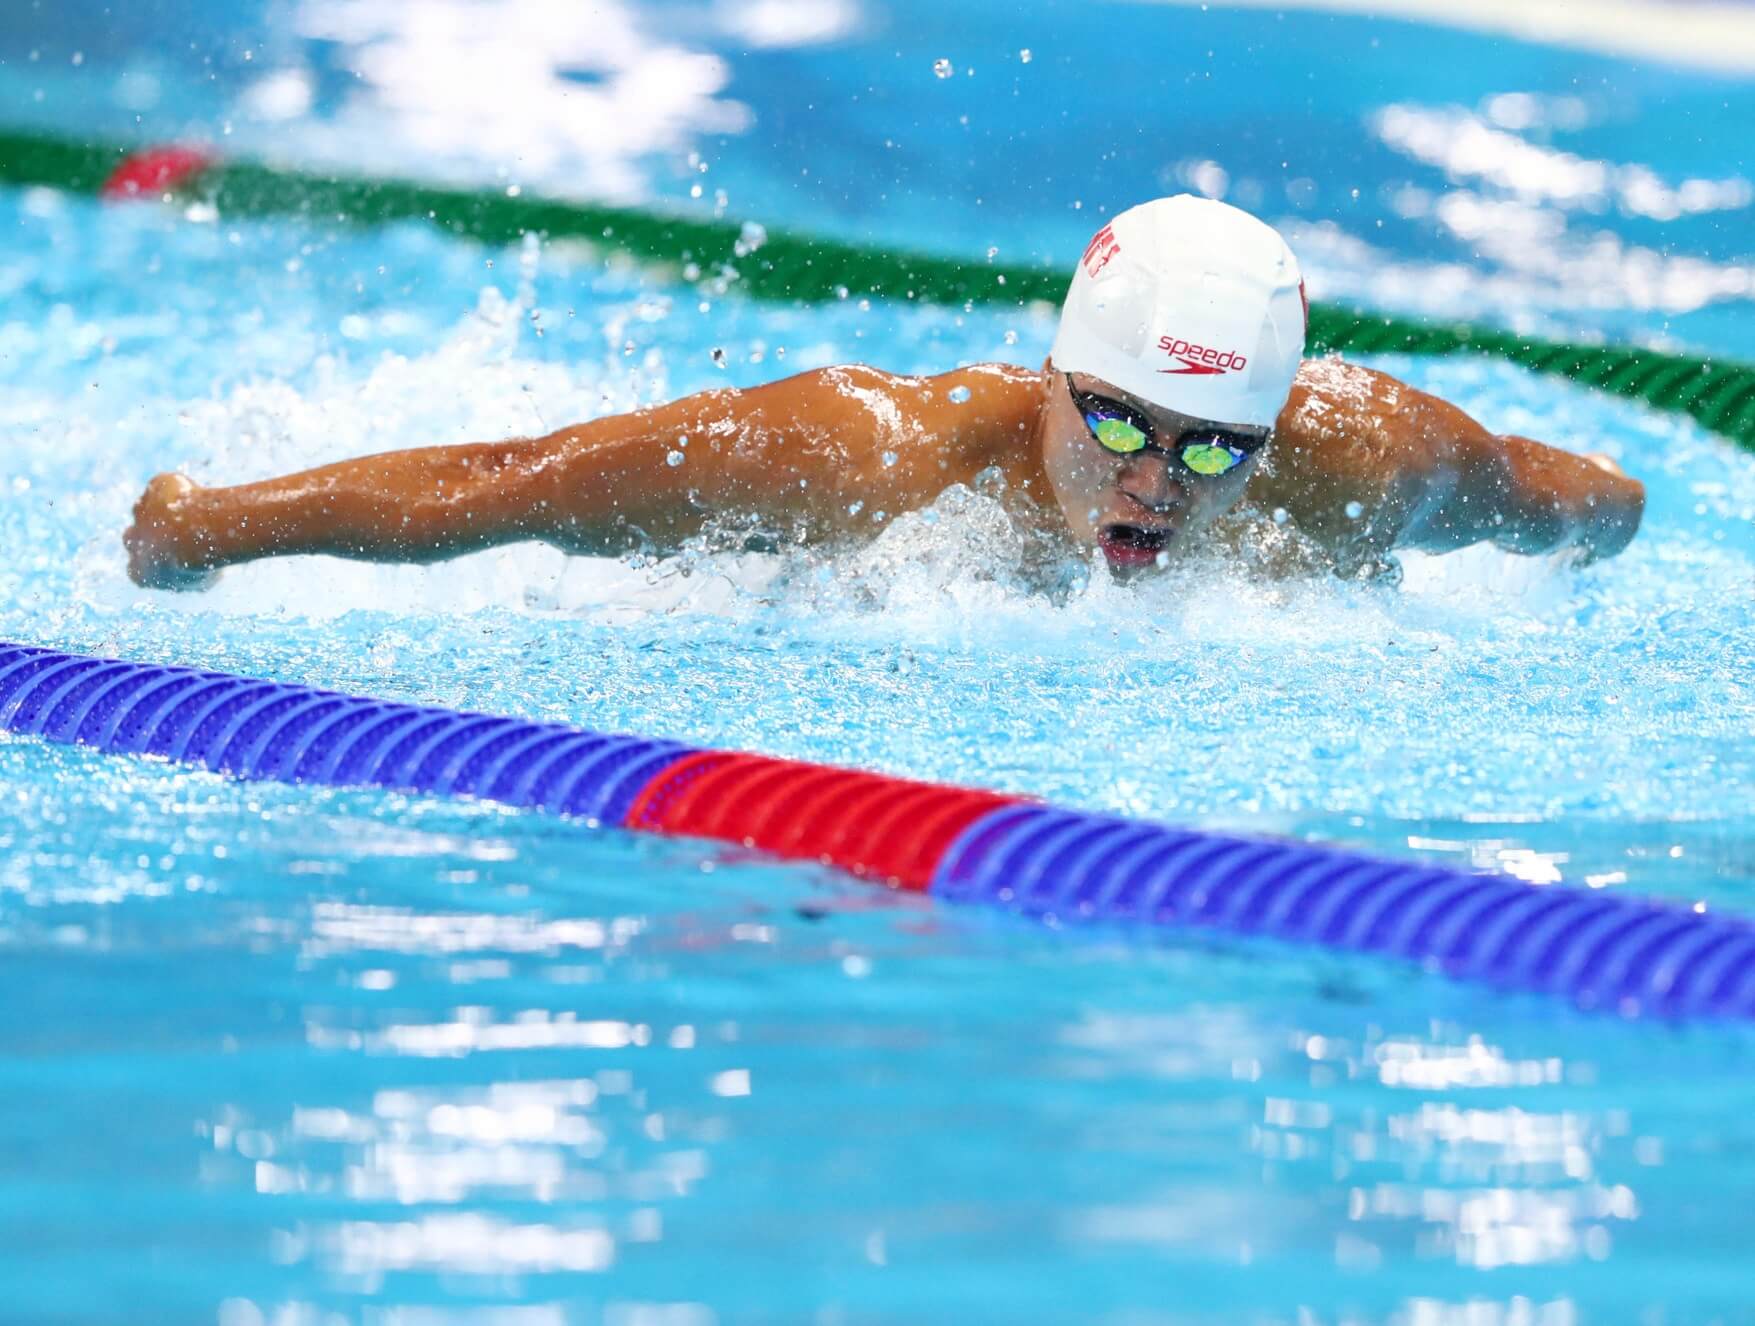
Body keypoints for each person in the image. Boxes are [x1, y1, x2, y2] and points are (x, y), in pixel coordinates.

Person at [124, 196, 1643, 592]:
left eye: (1213, 451)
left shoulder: (1365, 460)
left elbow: (1589, 501)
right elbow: (500, 488)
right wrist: (203, 523)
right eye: (1116, 420)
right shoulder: (871, 454)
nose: (1155, 482)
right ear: (1054, 378)